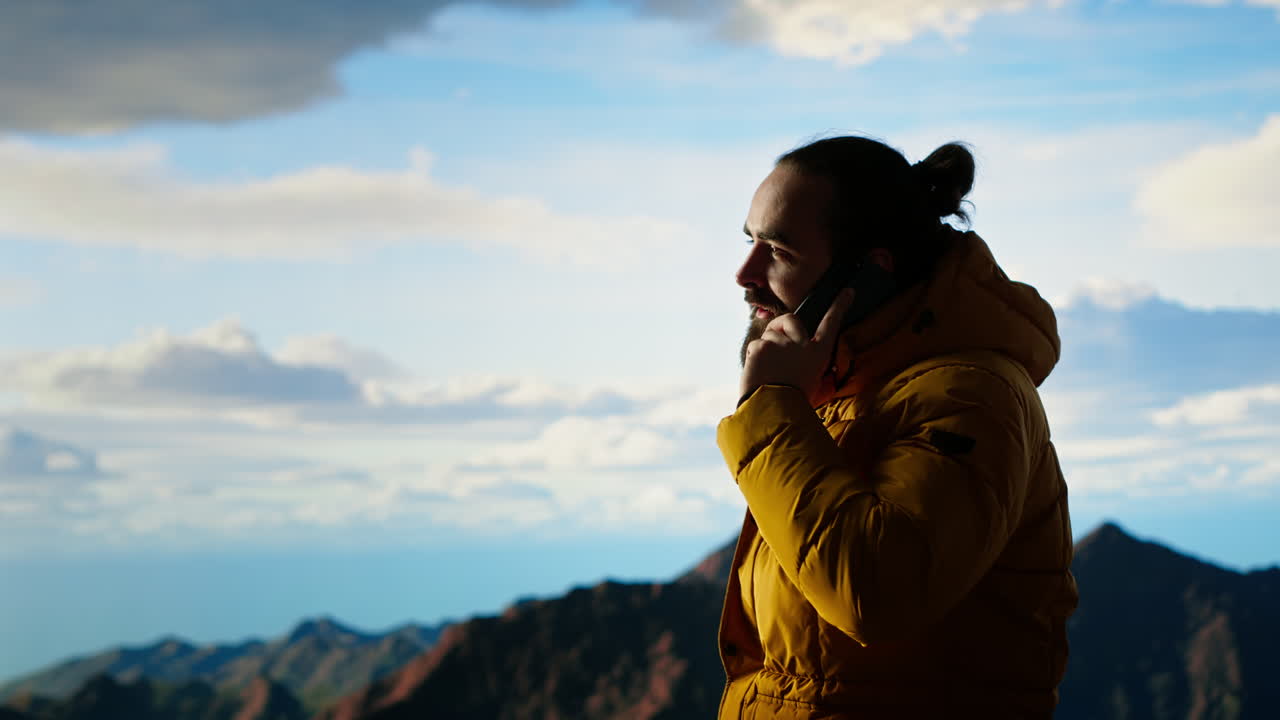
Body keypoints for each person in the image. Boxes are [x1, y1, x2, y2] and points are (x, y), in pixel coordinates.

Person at [716, 136, 1078, 719]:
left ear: (869, 273)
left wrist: (769, 407)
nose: (744, 273)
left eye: (778, 250)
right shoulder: (841, 392)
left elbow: (877, 594)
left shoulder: (971, 397)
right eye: (750, 241)